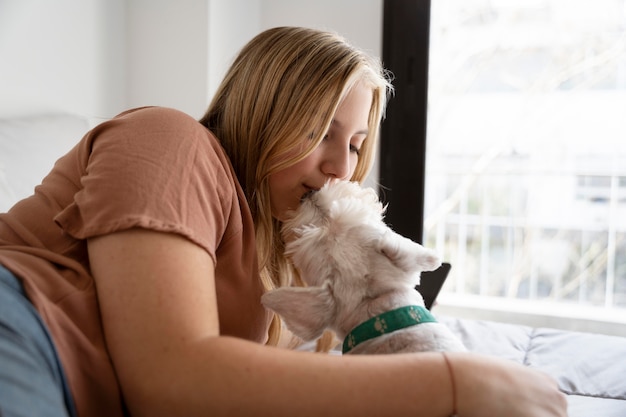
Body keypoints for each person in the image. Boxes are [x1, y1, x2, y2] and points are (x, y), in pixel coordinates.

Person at [0, 26, 566, 417]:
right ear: (265, 107)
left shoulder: (270, 263)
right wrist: (454, 382)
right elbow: (169, 377)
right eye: (322, 131)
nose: (342, 166)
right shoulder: (170, 140)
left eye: (356, 144)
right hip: (21, 318)